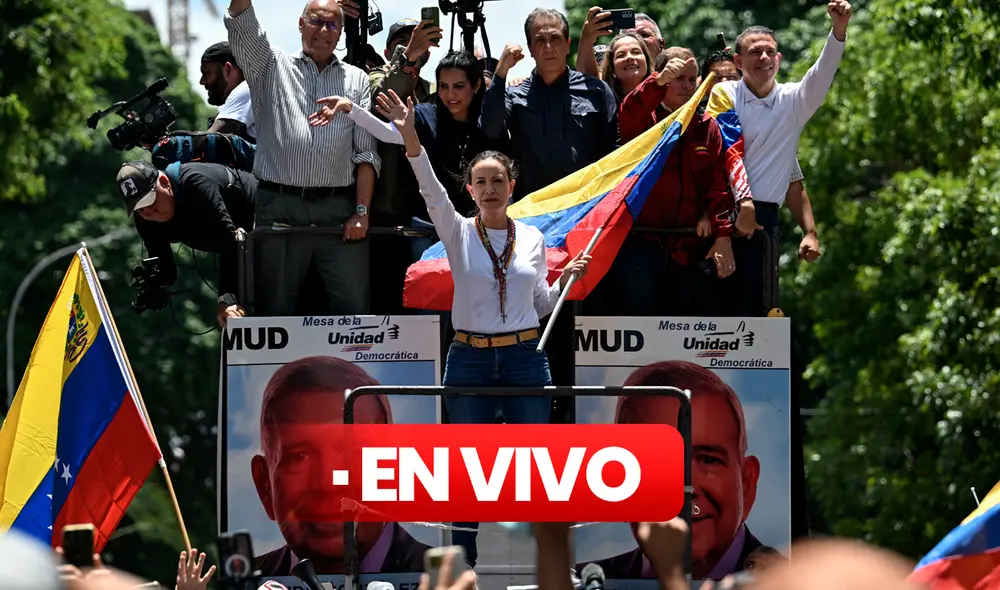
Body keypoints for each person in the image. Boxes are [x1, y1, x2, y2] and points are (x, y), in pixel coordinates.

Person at [380, 87, 590, 567]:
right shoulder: (455, 230)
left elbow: (540, 304)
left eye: (498, 179)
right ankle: (464, 570)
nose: (490, 188)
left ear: (511, 186)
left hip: (523, 358)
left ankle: (553, 569)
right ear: (470, 190)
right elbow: (429, 185)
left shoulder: (534, 238)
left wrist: (567, 282)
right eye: (481, 181)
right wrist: (411, 136)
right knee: (468, 471)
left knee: (535, 469)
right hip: (470, 358)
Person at [225, 0, 381, 316]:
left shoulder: (357, 79)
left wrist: (362, 212)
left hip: (340, 210)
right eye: (316, 21)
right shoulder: (269, 65)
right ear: (300, 22)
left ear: (340, 33)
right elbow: (244, 23)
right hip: (280, 205)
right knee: (275, 308)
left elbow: (366, 154)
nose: (324, 31)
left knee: (354, 309)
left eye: (332, 25)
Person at [710, 1, 852, 315]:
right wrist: (742, 204)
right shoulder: (724, 94)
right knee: (712, 316)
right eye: (754, 52)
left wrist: (838, 30)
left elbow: (823, 71)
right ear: (737, 60)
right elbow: (724, 154)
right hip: (721, 212)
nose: (763, 58)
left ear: (779, 58)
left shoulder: (794, 101)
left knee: (756, 314)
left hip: (765, 223)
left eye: (769, 51)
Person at [579, 361, 772, 581]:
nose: (685, 485)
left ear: (747, 483)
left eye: (708, 459)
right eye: (657, 460)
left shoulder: (791, 583)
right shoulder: (584, 581)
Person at [313, 50, 506, 261]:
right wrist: (349, 108)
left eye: (459, 86)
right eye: (443, 86)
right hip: (426, 229)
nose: (450, 95)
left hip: (474, 229)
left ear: (476, 86)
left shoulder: (486, 122)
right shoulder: (425, 115)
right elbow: (386, 133)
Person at [587, 48, 735, 317]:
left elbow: (717, 184)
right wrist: (657, 81)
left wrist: (722, 234)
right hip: (641, 242)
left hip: (689, 246)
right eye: (678, 77)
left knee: (684, 323)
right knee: (641, 319)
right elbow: (629, 112)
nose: (686, 85)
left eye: (692, 79)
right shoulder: (645, 120)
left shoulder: (707, 126)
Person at [251, 356, 429, 576]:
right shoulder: (246, 578)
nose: (328, 483)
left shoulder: (442, 579)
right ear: (264, 485)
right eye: (300, 456)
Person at [480, 8, 619, 201]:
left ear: (567, 44)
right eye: (540, 40)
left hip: (585, 205)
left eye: (555, 39)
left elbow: (613, 150)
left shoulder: (597, 90)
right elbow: (490, 130)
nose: (548, 47)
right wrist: (501, 72)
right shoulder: (515, 93)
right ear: (529, 48)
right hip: (533, 210)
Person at [116, 160, 255, 326]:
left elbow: (230, 244)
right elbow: (166, 268)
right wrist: (155, 287)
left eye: (150, 201)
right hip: (237, 244)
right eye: (139, 208)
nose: (148, 212)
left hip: (264, 219)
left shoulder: (196, 183)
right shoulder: (146, 219)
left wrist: (227, 299)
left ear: (164, 182)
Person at [200, 41, 257, 142]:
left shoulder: (249, 88)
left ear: (227, 70)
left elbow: (208, 140)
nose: (202, 81)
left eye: (206, 73)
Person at [598, 32, 653, 104]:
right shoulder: (603, 103)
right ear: (612, 67)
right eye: (621, 55)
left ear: (646, 60)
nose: (629, 57)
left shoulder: (664, 95)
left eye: (636, 52)